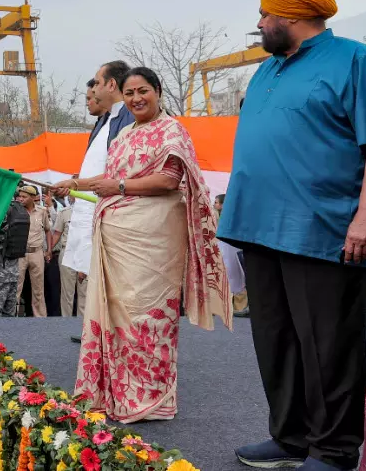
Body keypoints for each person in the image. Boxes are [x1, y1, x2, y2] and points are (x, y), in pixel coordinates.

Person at [218, 0, 366, 471]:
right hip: (257, 229)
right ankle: (290, 436)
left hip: (324, 230)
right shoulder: (267, 69)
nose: (260, 22)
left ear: (291, 14)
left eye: (265, 14)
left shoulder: (357, 60)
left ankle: (333, 451)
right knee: (276, 339)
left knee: (329, 345)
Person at [69, 67, 231, 423]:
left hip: (155, 237)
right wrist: (76, 182)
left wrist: (121, 188)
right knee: (118, 311)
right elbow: (112, 178)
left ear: (158, 91)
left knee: (148, 314)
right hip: (119, 234)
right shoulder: (125, 132)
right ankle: (115, 393)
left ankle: (150, 400)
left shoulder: (172, 131)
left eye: (143, 91)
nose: (136, 98)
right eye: (129, 93)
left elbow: (170, 180)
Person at [57, 65, 135, 341]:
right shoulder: (106, 119)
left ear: (111, 85)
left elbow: (121, 170)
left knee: (110, 276)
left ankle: (112, 332)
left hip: (112, 207)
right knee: (92, 272)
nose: (93, 90)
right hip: (89, 204)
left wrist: (77, 184)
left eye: (98, 83)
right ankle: (96, 328)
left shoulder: (127, 117)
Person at [15, 185, 52, 317]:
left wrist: (49, 250)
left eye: (24, 197)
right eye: (20, 196)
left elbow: (48, 230)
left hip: (37, 252)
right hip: (20, 253)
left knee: (38, 289)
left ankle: (40, 318)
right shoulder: (16, 211)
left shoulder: (42, 212)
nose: (21, 199)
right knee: (16, 288)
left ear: (33, 198)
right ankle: (13, 317)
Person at [214, 194, 248, 318]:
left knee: (236, 276)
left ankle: (240, 306)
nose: (214, 204)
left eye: (217, 202)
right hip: (224, 248)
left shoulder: (231, 216)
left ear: (223, 204)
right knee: (227, 275)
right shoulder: (219, 215)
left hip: (232, 249)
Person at [52, 194, 75, 316]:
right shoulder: (65, 212)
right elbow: (57, 233)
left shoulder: (93, 211)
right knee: (67, 292)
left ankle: (84, 325)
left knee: (86, 293)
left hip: (87, 253)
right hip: (67, 252)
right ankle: (67, 322)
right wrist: (48, 250)